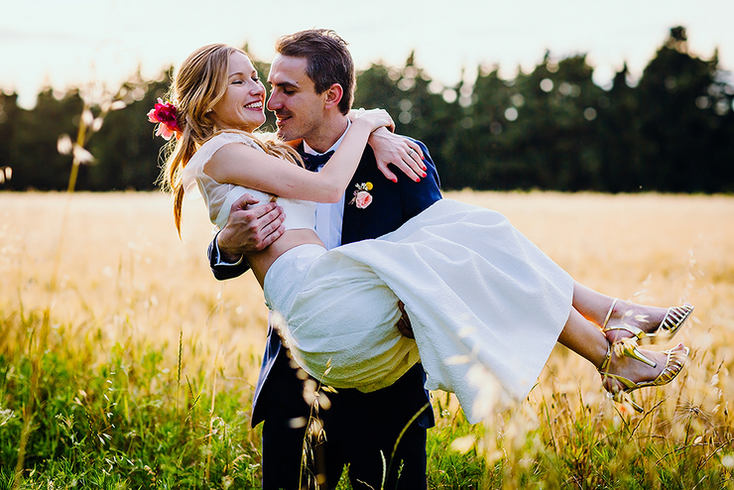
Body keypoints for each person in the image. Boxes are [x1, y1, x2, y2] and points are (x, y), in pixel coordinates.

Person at [154, 39, 693, 489]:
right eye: (257, 84)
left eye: (281, 88)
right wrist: (226, 242)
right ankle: (609, 327)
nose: (269, 99)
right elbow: (242, 229)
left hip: (383, 361)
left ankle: (610, 330)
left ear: (331, 95)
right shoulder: (253, 153)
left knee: (478, 235)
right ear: (208, 99)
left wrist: (376, 133)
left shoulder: (389, 156)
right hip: (304, 359)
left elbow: (453, 253)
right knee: (480, 232)